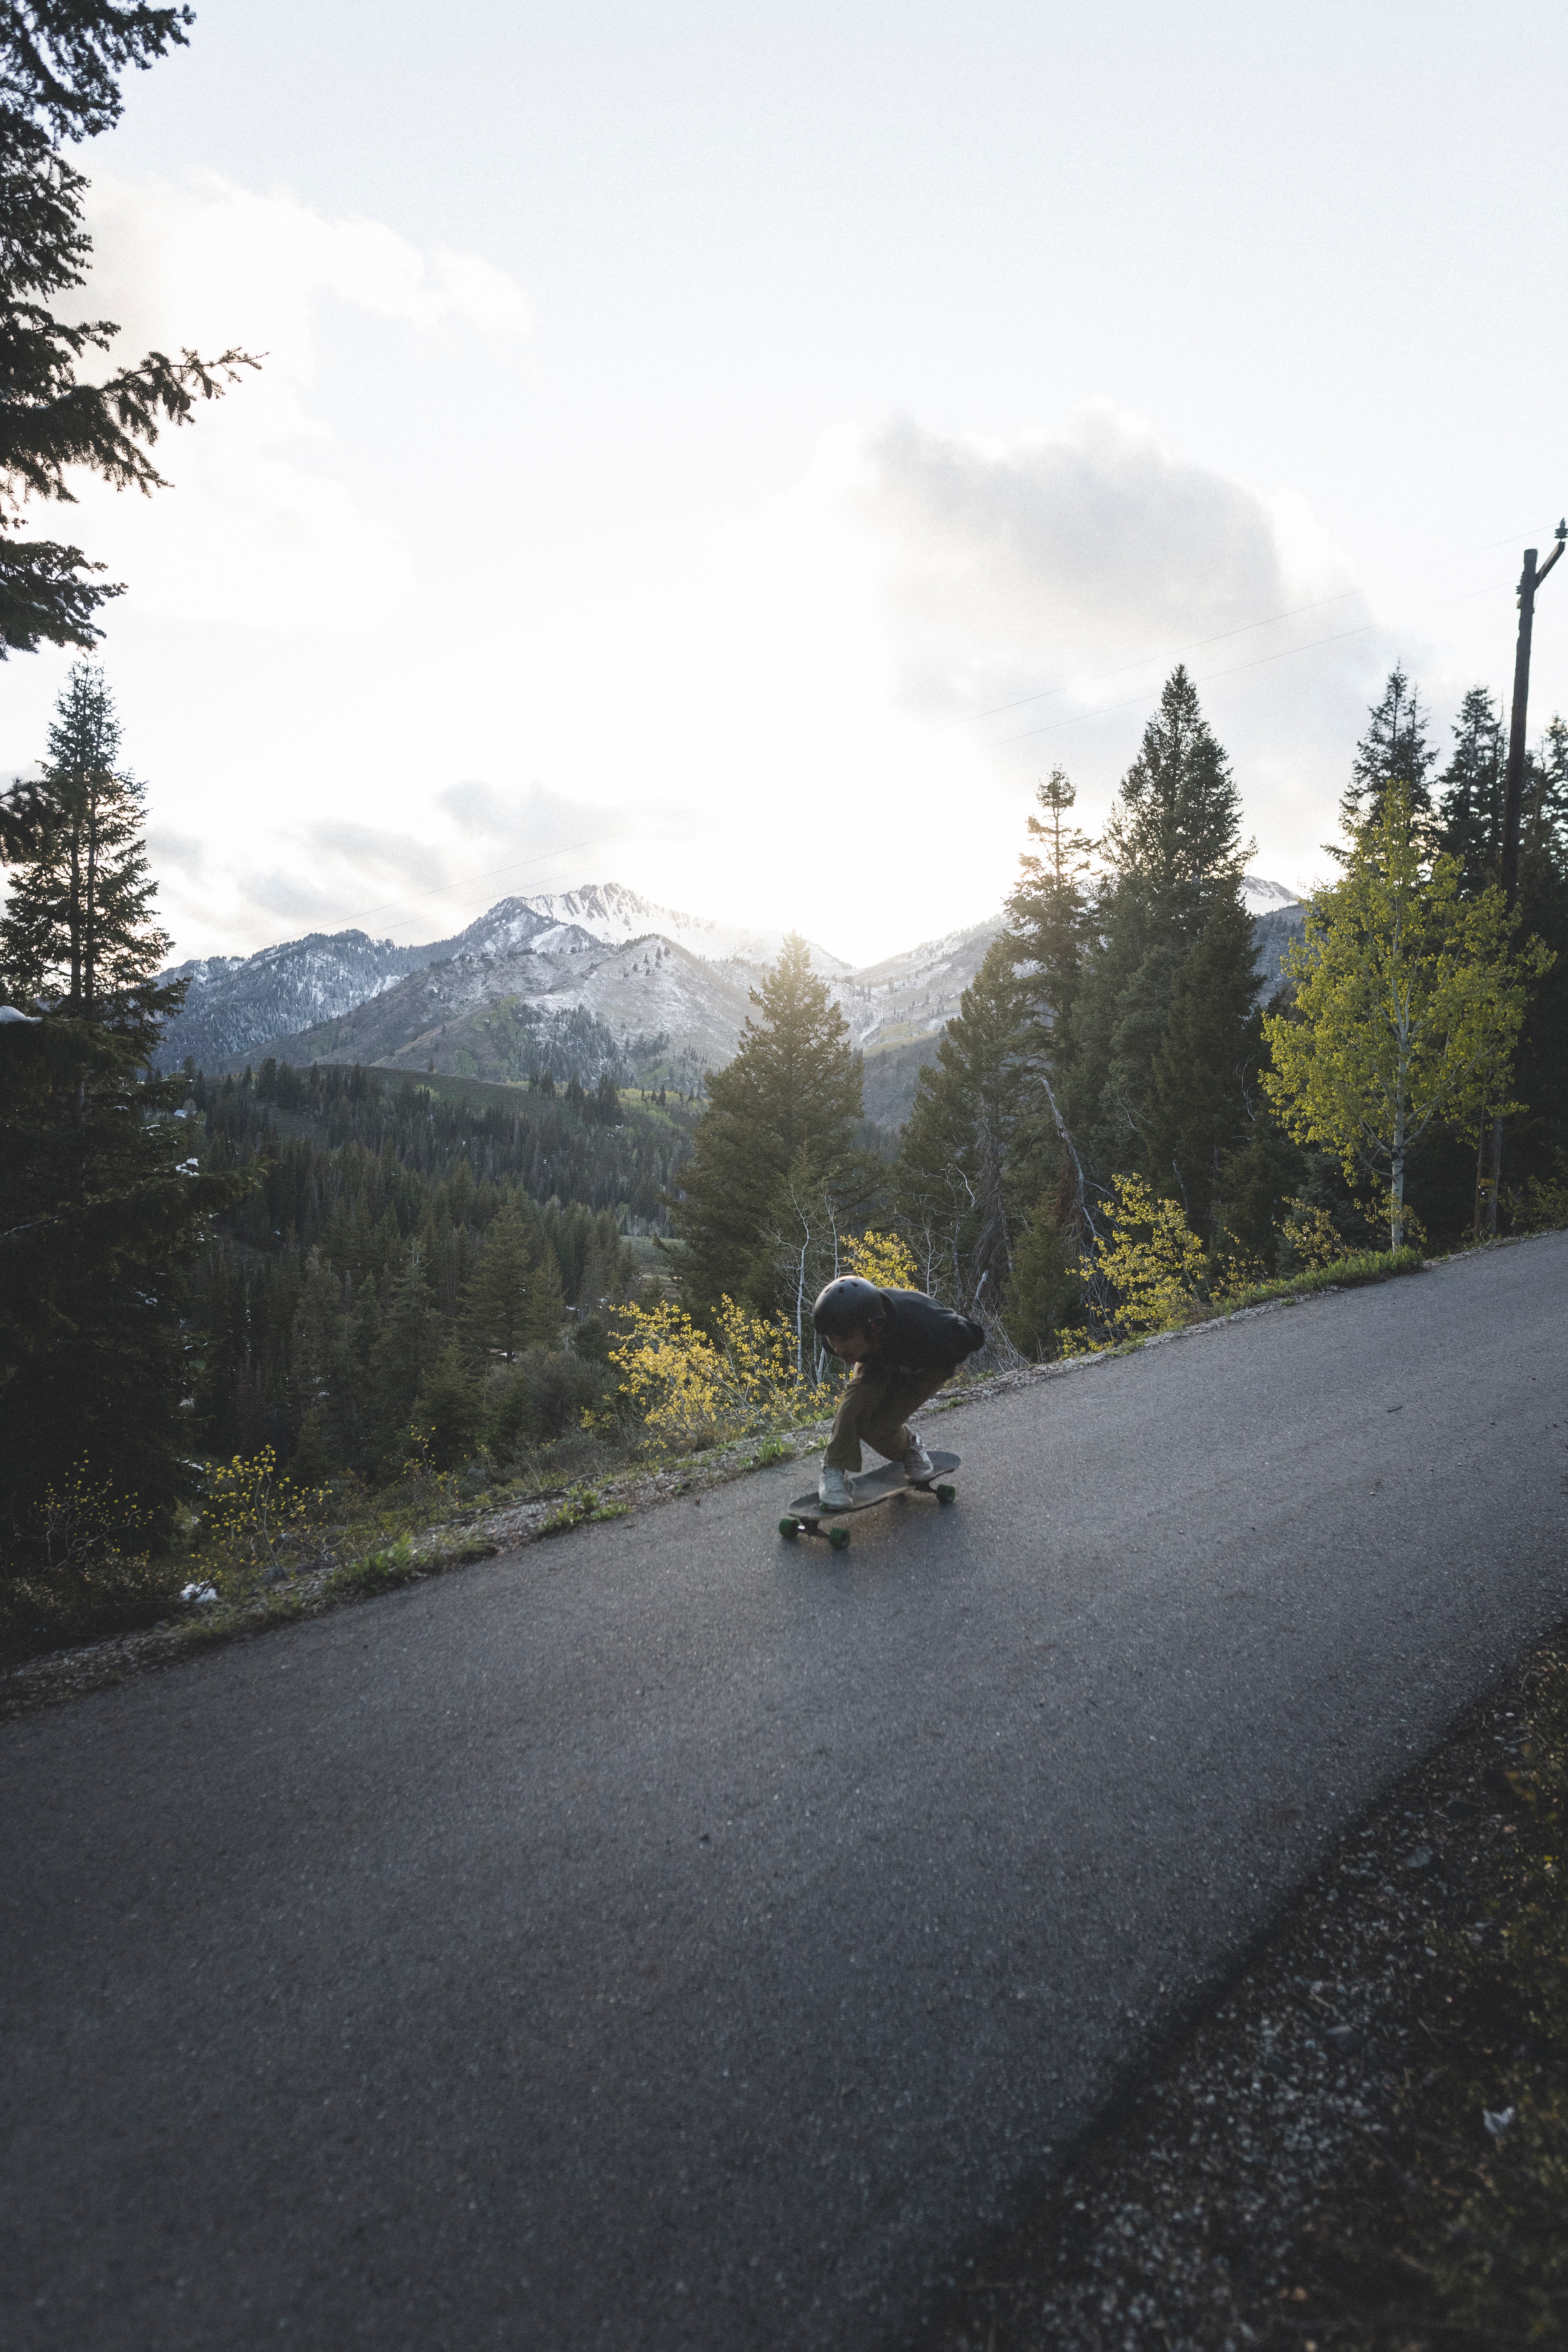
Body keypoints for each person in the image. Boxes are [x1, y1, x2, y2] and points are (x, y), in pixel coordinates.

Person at [811, 1276, 985, 1508]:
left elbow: (973, 1334)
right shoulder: (840, 1333)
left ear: (875, 1326)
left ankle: (910, 1446)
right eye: (832, 1339)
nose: (838, 1348)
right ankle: (833, 1469)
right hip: (878, 1356)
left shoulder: (927, 1325)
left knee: (879, 1428)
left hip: (928, 1365)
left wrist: (947, 1349)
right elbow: (847, 1346)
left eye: (845, 1339)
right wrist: (851, 1345)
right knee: (856, 1402)